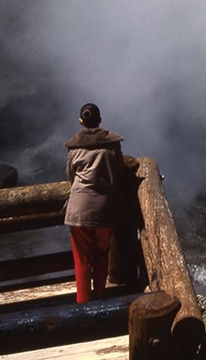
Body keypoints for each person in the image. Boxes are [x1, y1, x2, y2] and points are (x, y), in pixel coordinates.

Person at [64, 103, 125, 303]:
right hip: (104, 210)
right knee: (101, 254)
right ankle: (99, 297)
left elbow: (71, 177)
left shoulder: (74, 148)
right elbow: (119, 172)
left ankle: (83, 302)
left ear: (81, 121)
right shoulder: (112, 145)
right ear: (99, 120)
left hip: (78, 211)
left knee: (82, 260)